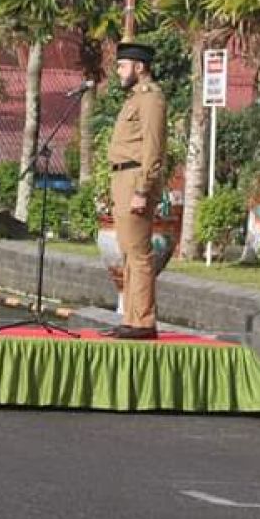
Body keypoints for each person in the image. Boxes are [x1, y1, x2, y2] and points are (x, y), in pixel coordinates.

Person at [102, 42, 168, 340]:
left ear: (139, 67)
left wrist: (142, 188)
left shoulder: (150, 98)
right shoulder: (133, 99)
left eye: (122, 65)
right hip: (122, 177)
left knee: (139, 254)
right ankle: (131, 317)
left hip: (135, 179)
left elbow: (153, 148)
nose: (118, 71)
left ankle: (143, 322)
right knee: (128, 253)